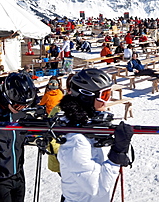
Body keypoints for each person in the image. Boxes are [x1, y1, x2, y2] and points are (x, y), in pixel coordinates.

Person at [57, 68, 133, 202]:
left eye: (109, 94)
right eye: (104, 95)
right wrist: (117, 154)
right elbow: (97, 189)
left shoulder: (85, 127)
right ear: (87, 96)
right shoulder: (76, 141)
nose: (106, 101)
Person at [0, 72, 37, 202]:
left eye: (25, 106)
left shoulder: (19, 115)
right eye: (17, 106)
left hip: (18, 175)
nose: (21, 109)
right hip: (0, 180)